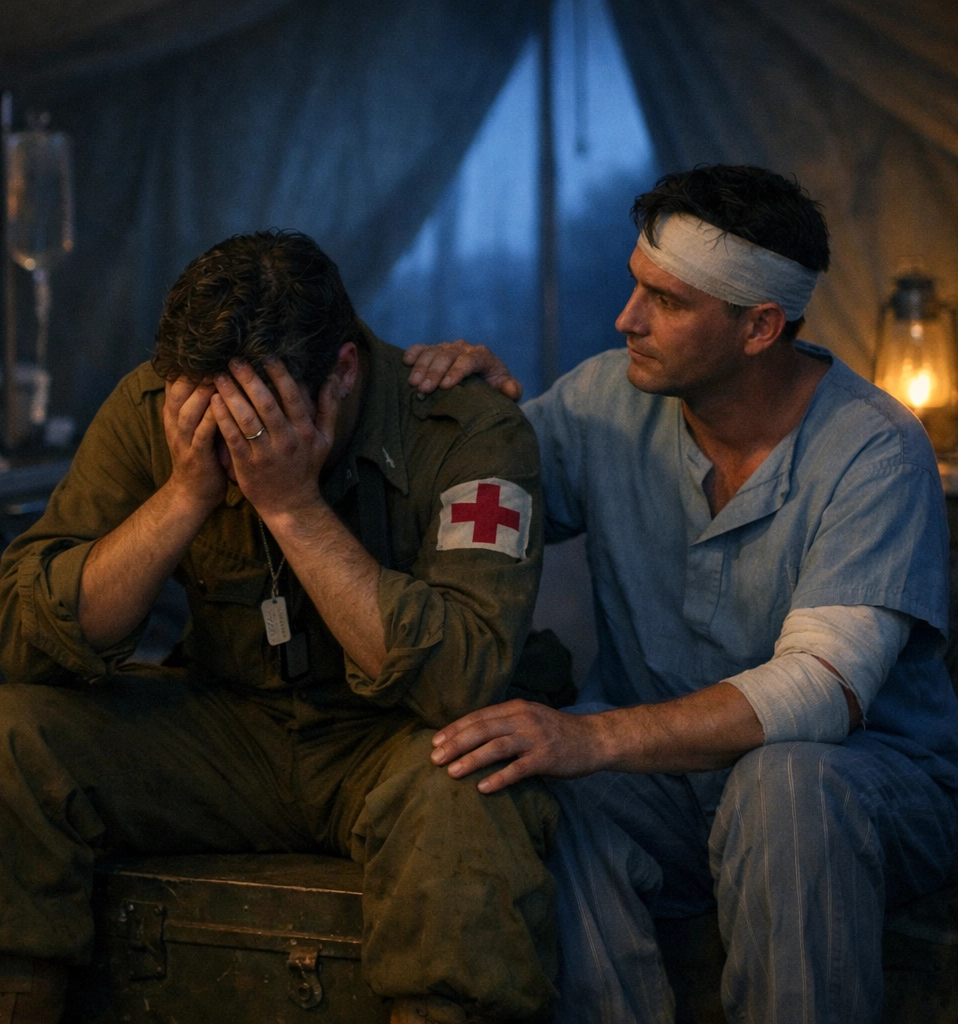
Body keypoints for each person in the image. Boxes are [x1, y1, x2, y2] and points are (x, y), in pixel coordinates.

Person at [0, 230, 560, 1024]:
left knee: (473, 792)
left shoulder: (467, 429)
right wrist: (184, 497)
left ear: (341, 371)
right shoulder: (162, 406)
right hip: (228, 728)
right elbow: (23, 635)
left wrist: (292, 506)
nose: (232, 438)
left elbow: (462, 678)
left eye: (261, 413)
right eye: (208, 410)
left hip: (391, 744)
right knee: (0, 738)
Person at [405, 165, 958, 1023]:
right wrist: (464, 415)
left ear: (759, 326)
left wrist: (589, 736)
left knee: (785, 784)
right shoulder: (602, 403)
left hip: (864, 793)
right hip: (674, 787)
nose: (627, 318)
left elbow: (822, 689)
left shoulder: (874, 450)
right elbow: (474, 494)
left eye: (666, 301)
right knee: (525, 781)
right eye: (635, 286)